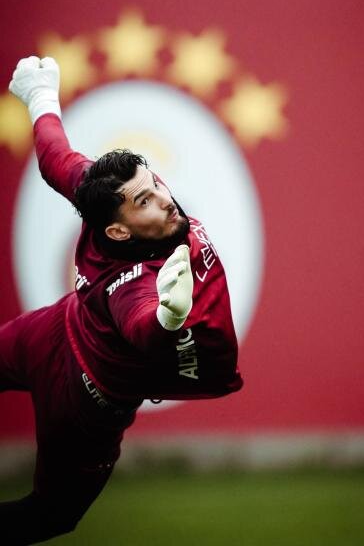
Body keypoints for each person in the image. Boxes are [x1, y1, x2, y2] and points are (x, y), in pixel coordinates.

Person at [0, 56, 243, 544]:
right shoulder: (137, 282)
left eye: (154, 183)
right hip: (85, 401)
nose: (164, 198)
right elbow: (140, 325)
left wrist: (41, 97)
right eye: (144, 201)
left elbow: (54, 156)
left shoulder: (98, 193)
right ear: (116, 230)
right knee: (52, 516)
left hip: (50, 335)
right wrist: (168, 316)